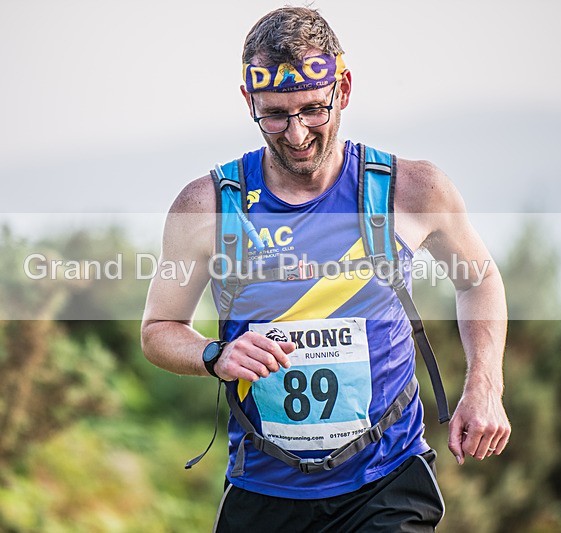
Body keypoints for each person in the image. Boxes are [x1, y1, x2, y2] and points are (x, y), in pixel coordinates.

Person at [141, 6, 510, 531]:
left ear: (345, 87)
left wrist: (485, 385)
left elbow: (479, 279)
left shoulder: (411, 190)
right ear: (248, 100)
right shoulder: (208, 207)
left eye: (314, 109)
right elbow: (158, 330)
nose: (296, 135)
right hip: (264, 489)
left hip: (386, 482)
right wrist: (215, 354)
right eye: (274, 114)